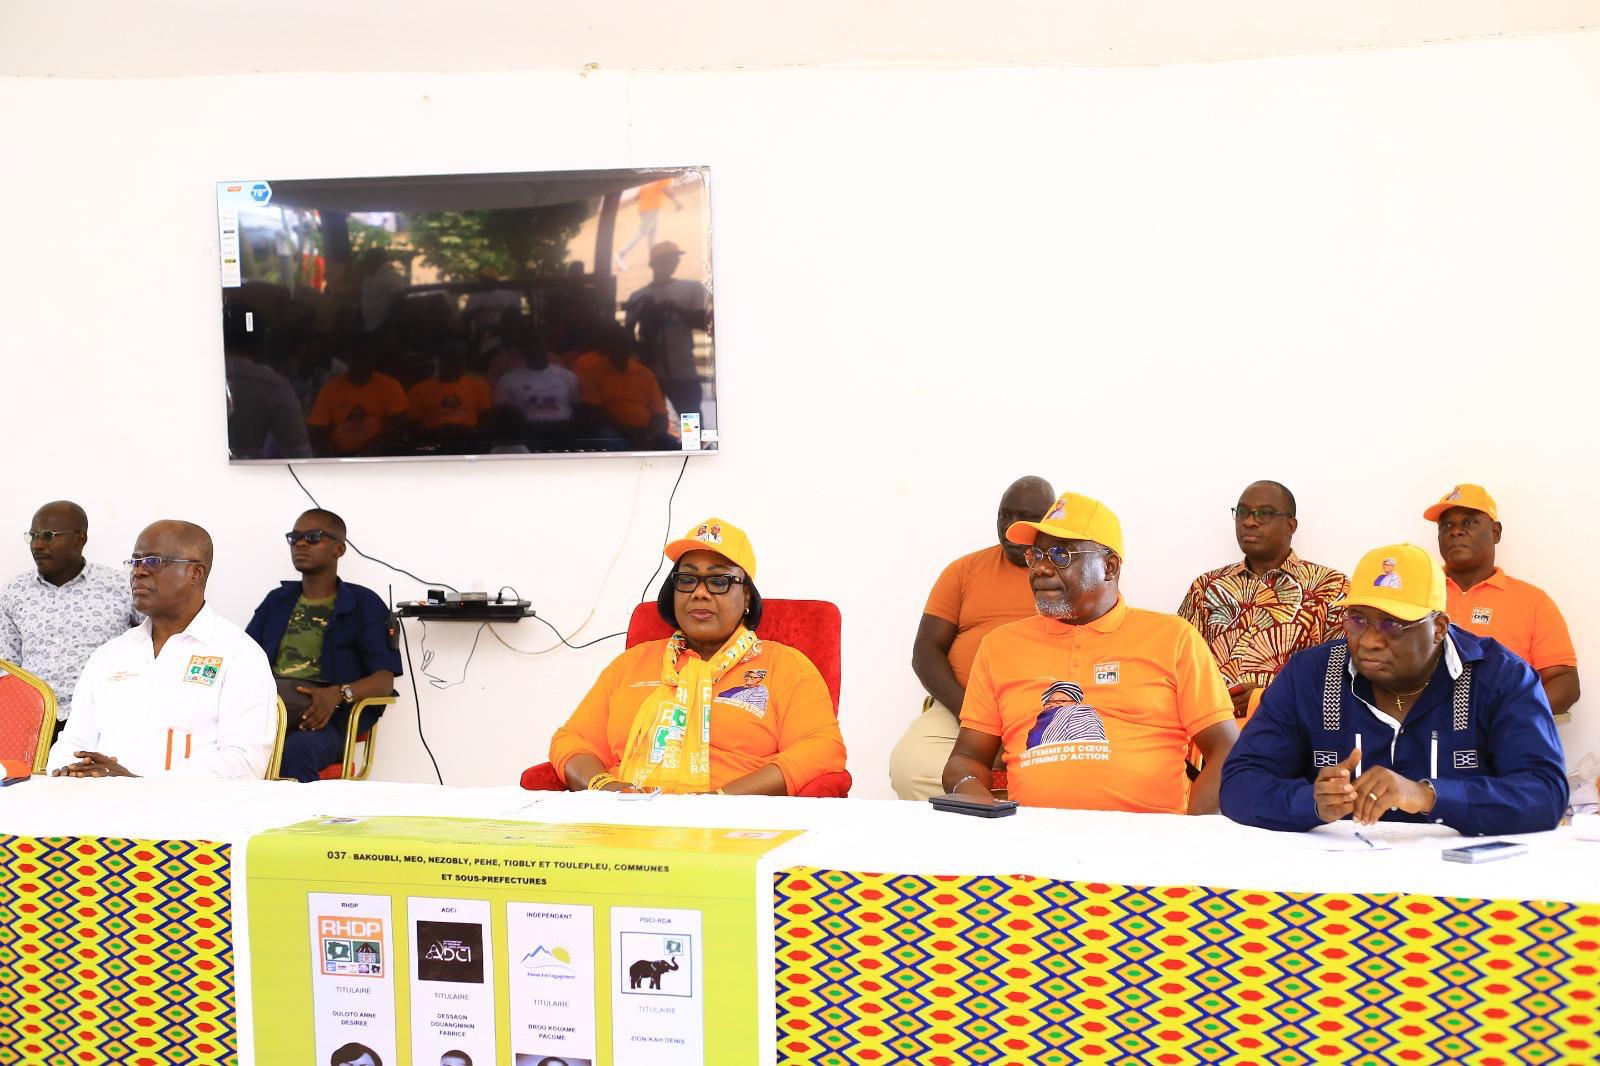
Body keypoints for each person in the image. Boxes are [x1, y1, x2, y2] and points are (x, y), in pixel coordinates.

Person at [1220, 544, 1568, 836]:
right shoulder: (1309, 675)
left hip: (1459, 881)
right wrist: (1312, 801)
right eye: (1358, 620)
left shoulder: (1501, 677)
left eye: (1393, 625)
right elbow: (1240, 784)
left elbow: (1545, 793)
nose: (1370, 641)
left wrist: (1428, 796)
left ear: (1439, 627)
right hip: (1336, 879)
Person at [940, 493, 1239, 812]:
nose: (1041, 568)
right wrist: (992, 818)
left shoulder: (1174, 638)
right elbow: (966, 760)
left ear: (1109, 567)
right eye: (1036, 555)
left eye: (1060, 554)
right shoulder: (1000, 646)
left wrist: (1193, 832)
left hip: (1146, 836)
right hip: (1034, 836)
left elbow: (1226, 749)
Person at [549, 518, 846, 795]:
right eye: (687, 579)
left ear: (746, 595)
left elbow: (821, 748)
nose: (699, 593)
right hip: (621, 818)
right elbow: (573, 740)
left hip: (732, 824)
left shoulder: (784, 665)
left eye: (719, 581)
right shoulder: (630, 664)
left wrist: (719, 800)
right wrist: (607, 788)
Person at [47, 521, 277, 780]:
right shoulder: (110, 655)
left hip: (190, 804)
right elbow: (72, 742)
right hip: (96, 799)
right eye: (135, 562)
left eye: (153, 562)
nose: (138, 572)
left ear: (195, 573)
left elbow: (244, 763)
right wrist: (70, 770)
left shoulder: (239, 655)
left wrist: (138, 783)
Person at [888, 475, 1056, 800]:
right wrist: (969, 714)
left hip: (1041, 707)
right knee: (910, 767)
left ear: (1049, 522)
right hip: (961, 706)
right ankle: (980, 823)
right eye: (1004, 514)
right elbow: (926, 650)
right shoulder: (963, 570)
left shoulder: (1066, 573)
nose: (1010, 526)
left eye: (1025, 518)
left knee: (1065, 777)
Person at [245, 510, 400, 783]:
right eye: (294, 537)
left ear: (339, 549)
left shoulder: (364, 604)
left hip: (327, 722)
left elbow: (383, 681)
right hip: (267, 714)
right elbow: (242, 661)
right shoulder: (277, 601)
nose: (300, 543)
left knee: (297, 750)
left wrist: (337, 694)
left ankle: (297, 813)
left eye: (313, 537)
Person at [1178, 481, 1348, 724]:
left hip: (1287, 731)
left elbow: (1340, 677)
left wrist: (1266, 697)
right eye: (1242, 512)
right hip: (1210, 731)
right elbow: (1178, 663)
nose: (1249, 522)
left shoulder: (1331, 587)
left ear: (1290, 525)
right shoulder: (1207, 587)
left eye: (1264, 513)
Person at [1425, 484, 1580, 716]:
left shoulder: (1533, 602)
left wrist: (1510, 719)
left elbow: (1565, 682)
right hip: (1425, 733)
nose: (1455, 531)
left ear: (1496, 532)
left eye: (1469, 522)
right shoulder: (1414, 597)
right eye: (1446, 525)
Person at [1, 502, 141, 743]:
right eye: (32, 536)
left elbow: (155, 643)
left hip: (105, 719)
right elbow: (7, 668)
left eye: (48, 535)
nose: (37, 545)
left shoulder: (121, 587)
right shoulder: (13, 593)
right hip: (34, 725)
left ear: (80, 539)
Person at [623, 240, 708, 418]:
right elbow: (627, 334)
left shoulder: (691, 288)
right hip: (650, 373)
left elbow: (702, 323)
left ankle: (691, 439)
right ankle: (663, 436)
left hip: (683, 371)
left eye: (674, 259)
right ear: (653, 264)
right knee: (655, 420)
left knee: (690, 420)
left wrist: (676, 309)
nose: (672, 263)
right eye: (666, 259)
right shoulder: (638, 296)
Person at [307, 336, 410, 456]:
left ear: (373, 358)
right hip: (339, 456)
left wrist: (372, 451)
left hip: (380, 454)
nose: (361, 361)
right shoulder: (330, 389)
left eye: (365, 356)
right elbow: (318, 429)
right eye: (356, 356)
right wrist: (332, 459)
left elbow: (398, 425)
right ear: (346, 359)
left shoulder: (390, 385)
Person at [573, 326, 668, 445]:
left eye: (625, 342)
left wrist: (650, 437)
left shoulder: (645, 374)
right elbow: (594, 412)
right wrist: (629, 433)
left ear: (632, 347)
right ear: (609, 346)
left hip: (646, 431)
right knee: (609, 439)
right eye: (617, 342)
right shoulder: (594, 372)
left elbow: (660, 415)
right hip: (613, 430)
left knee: (674, 444)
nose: (621, 346)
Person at [493, 322, 580, 431]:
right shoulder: (507, 380)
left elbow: (578, 411)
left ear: (546, 345)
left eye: (538, 342)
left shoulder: (569, 377)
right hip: (526, 433)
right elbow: (501, 414)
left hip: (562, 432)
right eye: (529, 344)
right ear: (522, 349)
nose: (534, 348)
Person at [407, 341, 492, 442]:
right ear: (440, 361)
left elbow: (487, 422)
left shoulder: (478, 386)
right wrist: (435, 432)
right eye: (447, 360)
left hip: (469, 442)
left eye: (456, 361)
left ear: (463, 363)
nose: (451, 365)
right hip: (433, 442)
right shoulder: (419, 390)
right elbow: (411, 427)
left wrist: (468, 431)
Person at [613, 176, 681, 269]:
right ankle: (621, 254)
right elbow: (666, 189)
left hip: (645, 208)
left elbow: (638, 196)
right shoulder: (664, 175)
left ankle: (653, 258)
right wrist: (677, 202)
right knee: (643, 232)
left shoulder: (652, 176)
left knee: (653, 232)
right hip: (651, 207)